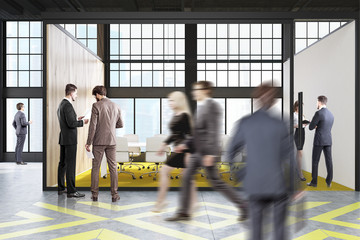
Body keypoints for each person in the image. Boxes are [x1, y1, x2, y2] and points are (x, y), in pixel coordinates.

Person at [165, 81, 247, 222]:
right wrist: (184, 145)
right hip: (198, 152)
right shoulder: (200, 108)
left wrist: (212, 153)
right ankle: (184, 212)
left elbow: (214, 132)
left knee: (216, 182)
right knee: (186, 177)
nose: (194, 92)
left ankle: (245, 206)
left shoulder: (212, 106)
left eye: (196, 90)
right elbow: (197, 134)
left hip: (207, 152)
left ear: (206, 91)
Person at [227, 83, 295, 240]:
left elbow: (230, 152)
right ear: (273, 101)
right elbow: (290, 157)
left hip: (254, 184)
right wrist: (293, 186)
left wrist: (241, 174)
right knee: (279, 229)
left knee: (256, 229)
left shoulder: (245, 123)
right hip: (278, 184)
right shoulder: (281, 124)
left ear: (256, 99)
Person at [152, 91, 196, 212]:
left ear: (179, 101)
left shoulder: (185, 115)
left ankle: (161, 202)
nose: (169, 103)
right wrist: (164, 144)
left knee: (164, 171)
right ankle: (194, 202)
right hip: (178, 148)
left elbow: (191, 135)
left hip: (184, 151)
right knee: (187, 176)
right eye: (169, 101)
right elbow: (174, 134)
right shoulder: (176, 114)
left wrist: (185, 147)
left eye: (172, 100)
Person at [86, 85, 123, 202]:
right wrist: (111, 126)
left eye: (95, 95)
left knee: (95, 167)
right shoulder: (116, 106)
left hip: (98, 141)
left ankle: (95, 195)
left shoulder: (96, 106)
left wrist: (88, 142)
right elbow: (120, 124)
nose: (95, 98)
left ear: (97, 94)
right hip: (112, 141)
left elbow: (93, 126)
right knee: (113, 167)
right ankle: (114, 195)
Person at [57, 84, 88, 198]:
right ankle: (71, 191)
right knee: (70, 165)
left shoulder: (61, 104)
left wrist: (76, 119)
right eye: (76, 93)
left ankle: (61, 188)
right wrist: (83, 122)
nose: (76, 95)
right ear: (71, 93)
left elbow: (67, 121)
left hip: (63, 138)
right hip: (70, 139)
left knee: (63, 163)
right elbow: (71, 124)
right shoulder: (68, 105)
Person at [307, 95, 334, 188]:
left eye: (316, 102)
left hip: (319, 140)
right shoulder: (331, 114)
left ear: (319, 102)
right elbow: (326, 126)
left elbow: (310, 127)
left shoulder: (318, 113)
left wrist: (313, 124)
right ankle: (329, 181)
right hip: (328, 140)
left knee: (315, 161)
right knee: (329, 161)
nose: (316, 104)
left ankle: (314, 182)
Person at [293, 101, 308, 181]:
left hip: (303, 133)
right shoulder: (294, 114)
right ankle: (300, 172)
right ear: (296, 106)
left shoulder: (302, 115)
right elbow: (291, 125)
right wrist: (299, 125)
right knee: (300, 153)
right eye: (300, 106)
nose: (301, 108)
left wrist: (305, 124)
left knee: (299, 154)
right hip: (298, 133)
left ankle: (297, 169)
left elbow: (303, 125)